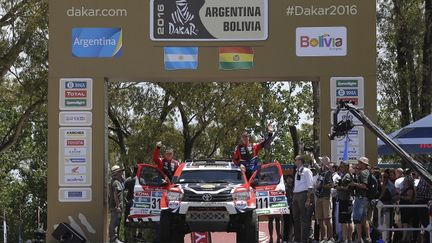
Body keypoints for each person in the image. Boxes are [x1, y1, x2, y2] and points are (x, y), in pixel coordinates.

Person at [350, 157, 372, 243]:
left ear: (363, 164)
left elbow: (364, 186)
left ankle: (359, 238)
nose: (358, 164)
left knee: (357, 219)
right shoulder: (366, 172)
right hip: (364, 198)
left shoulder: (363, 173)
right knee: (364, 219)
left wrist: (354, 184)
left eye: (359, 162)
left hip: (361, 198)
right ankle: (368, 238)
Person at [292, 155, 314, 243]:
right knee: (296, 218)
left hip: (303, 194)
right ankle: (297, 239)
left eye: (296, 160)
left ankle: (304, 239)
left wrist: (308, 199)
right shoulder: (297, 171)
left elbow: (310, 186)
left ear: (300, 161)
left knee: (304, 218)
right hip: (296, 195)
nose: (295, 161)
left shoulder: (306, 171)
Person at [314, 156, 334, 242]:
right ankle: (323, 238)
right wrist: (312, 158)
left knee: (327, 219)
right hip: (319, 197)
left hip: (325, 198)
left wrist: (320, 185)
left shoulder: (329, 173)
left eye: (321, 161)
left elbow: (331, 185)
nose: (320, 162)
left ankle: (330, 238)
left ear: (324, 163)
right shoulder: (321, 172)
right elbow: (315, 165)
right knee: (320, 219)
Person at [335, 161, 354, 243]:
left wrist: (338, 187)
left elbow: (347, 188)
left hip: (345, 200)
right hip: (345, 200)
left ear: (346, 167)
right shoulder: (344, 175)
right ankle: (348, 239)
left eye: (342, 166)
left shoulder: (347, 176)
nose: (340, 168)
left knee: (345, 221)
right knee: (348, 220)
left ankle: (345, 239)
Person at [109, 165, 125, 242]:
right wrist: (118, 206)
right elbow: (116, 194)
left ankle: (115, 239)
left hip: (116, 207)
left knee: (117, 223)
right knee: (114, 223)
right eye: (120, 172)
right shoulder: (116, 182)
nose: (122, 173)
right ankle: (113, 239)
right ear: (116, 173)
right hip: (116, 207)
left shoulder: (117, 181)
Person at [398, 175, 416, 241]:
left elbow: (409, 198)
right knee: (406, 224)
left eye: (405, 179)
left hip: (407, 209)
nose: (404, 180)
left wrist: (400, 196)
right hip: (404, 208)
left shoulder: (410, 189)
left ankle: (404, 239)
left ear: (408, 181)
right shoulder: (406, 188)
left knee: (406, 223)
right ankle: (407, 239)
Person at [283, 175, 294, 243]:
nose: (289, 179)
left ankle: (293, 238)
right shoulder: (284, 187)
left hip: (294, 207)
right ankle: (285, 239)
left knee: (294, 223)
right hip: (286, 207)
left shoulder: (295, 187)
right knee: (286, 223)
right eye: (288, 178)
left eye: (291, 178)